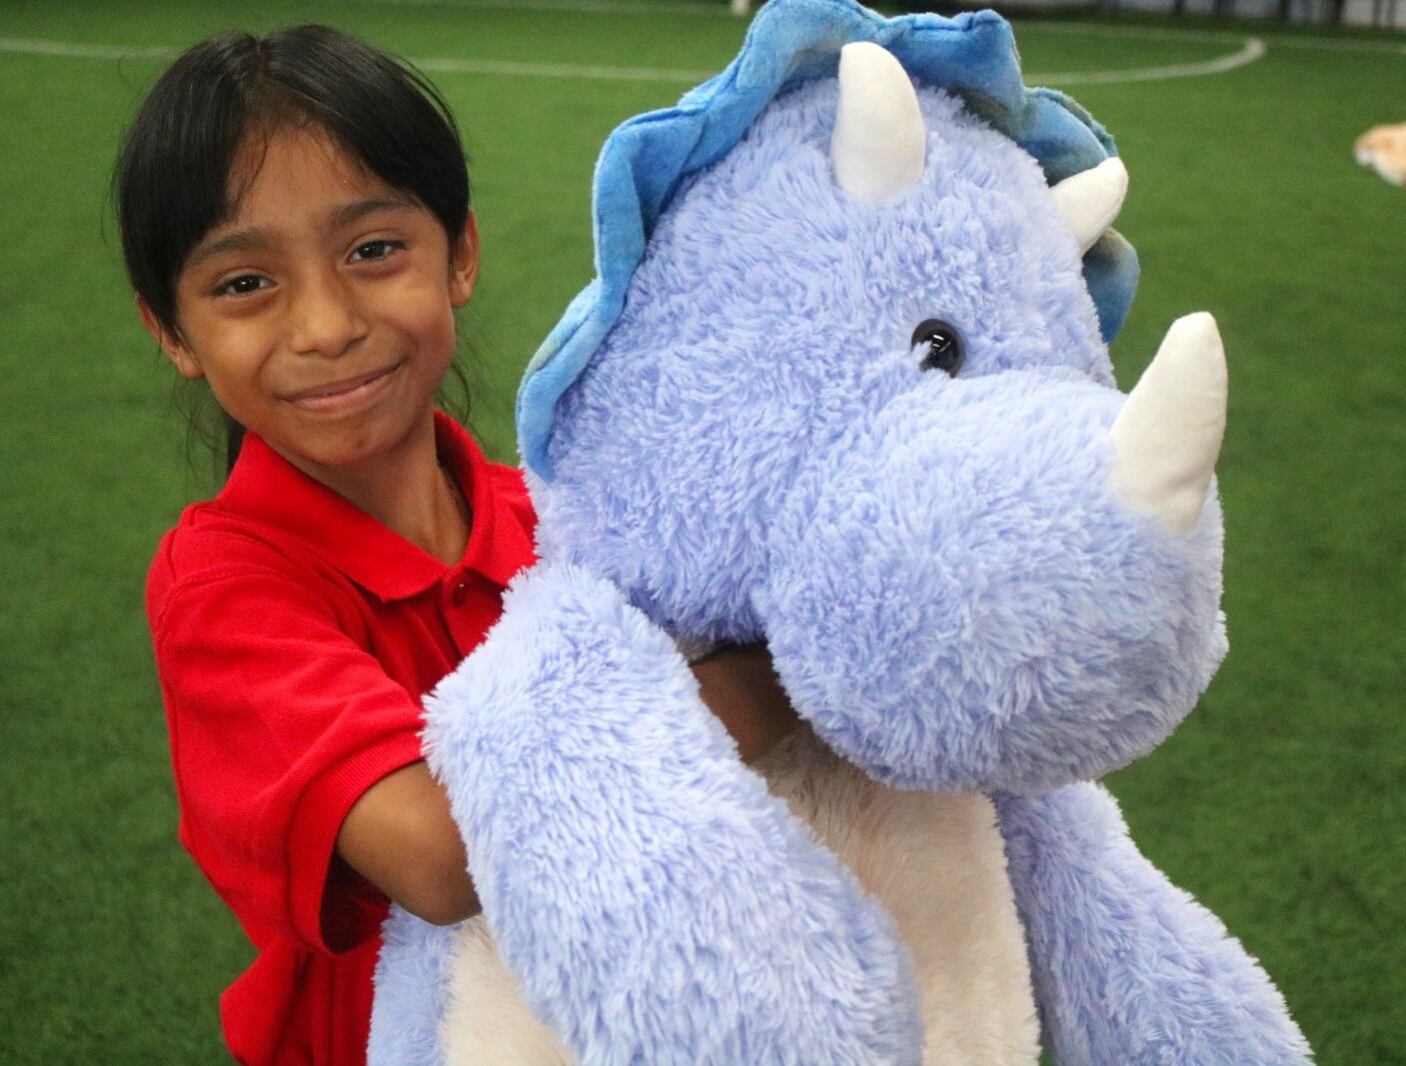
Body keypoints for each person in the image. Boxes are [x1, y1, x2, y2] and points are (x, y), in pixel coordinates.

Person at [118, 25, 800, 1066]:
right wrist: (783, 683)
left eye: (373, 251)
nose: (325, 325)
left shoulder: (553, 506)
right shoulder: (222, 583)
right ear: (172, 331)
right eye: (244, 284)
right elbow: (440, 854)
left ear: (460, 255)